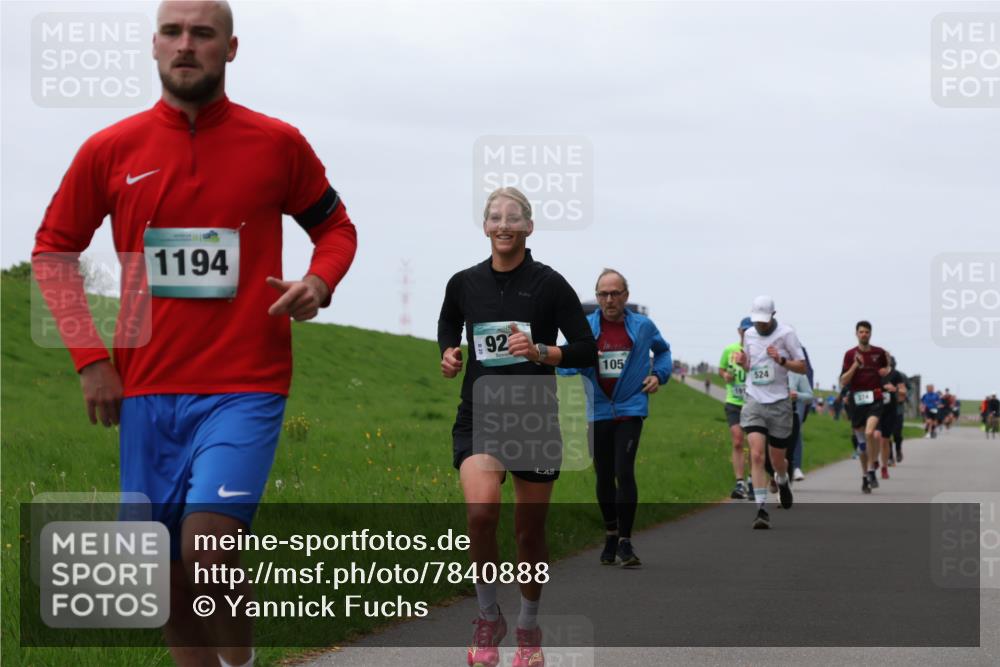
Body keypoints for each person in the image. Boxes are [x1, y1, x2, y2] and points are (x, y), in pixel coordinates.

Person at [31, 3, 358, 665]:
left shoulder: (277, 143)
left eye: (202, 34)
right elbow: (52, 250)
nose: (186, 46)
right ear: (154, 46)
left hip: (245, 384)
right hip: (146, 389)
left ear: (230, 49)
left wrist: (320, 281)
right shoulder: (109, 150)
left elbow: (337, 228)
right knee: (163, 577)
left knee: (208, 545)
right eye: (173, 33)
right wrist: (90, 358)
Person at [438, 186, 596, 667]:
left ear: (528, 227)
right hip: (480, 414)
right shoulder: (464, 282)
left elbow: (586, 348)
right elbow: (448, 324)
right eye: (494, 217)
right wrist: (447, 353)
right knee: (481, 515)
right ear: (485, 227)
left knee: (529, 535)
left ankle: (528, 625)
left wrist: (543, 352)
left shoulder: (549, 284)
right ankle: (489, 619)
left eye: (513, 218)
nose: (503, 224)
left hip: (532, 416)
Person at [558, 269, 671, 567]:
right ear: (596, 297)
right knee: (604, 474)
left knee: (625, 470)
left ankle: (625, 541)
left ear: (626, 296)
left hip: (630, 408)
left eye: (615, 293)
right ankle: (610, 532)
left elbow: (663, 352)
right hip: (597, 409)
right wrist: (554, 363)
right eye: (603, 294)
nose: (609, 300)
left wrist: (659, 375)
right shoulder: (585, 328)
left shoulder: (643, 327)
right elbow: (568, 358)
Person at [731, 296, 807, 529]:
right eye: (756, 321)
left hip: (779, 403)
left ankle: (782, 481)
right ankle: (761, 509)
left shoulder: (786, 334)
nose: (760, 325)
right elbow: (749, 366)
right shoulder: (750, 334)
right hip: (754, 400)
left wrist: (781, 359)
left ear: (774, 315)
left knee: (777, 461)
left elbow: (802, 366)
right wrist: (742, 362)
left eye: (764, 321)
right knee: (755, 455)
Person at [840, 321, 891, 494]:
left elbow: (887, 369)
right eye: (861, 332)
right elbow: (843, 381)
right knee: (862, 444)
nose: (864, 334)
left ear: (871, 334)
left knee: (871, 433)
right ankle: (865, 475)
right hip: (857, 400)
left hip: (875, 398)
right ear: (856, 334)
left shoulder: (879, 352)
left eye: (867, 332)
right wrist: (855, 365)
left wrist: (888, 368)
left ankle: (871, 469)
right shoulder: (849, 354)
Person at [719, 318, 753, 500]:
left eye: (750, 330)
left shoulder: (757, 351)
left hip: (753, 402)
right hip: (733, 401)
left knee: (753, 444)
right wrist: (725, 374)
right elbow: (721, 368)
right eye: (744, 330)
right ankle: (740, 482)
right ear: (739, 331)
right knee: (738, 441)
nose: (746, 334)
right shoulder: (729, 350)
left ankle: (752, 480)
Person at [787, 369, 813, 481]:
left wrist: (797, 395)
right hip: (773, 408)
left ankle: (796, 467)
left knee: (796, 430)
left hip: (795, 405)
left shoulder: (798, 372)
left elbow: (809, 396)